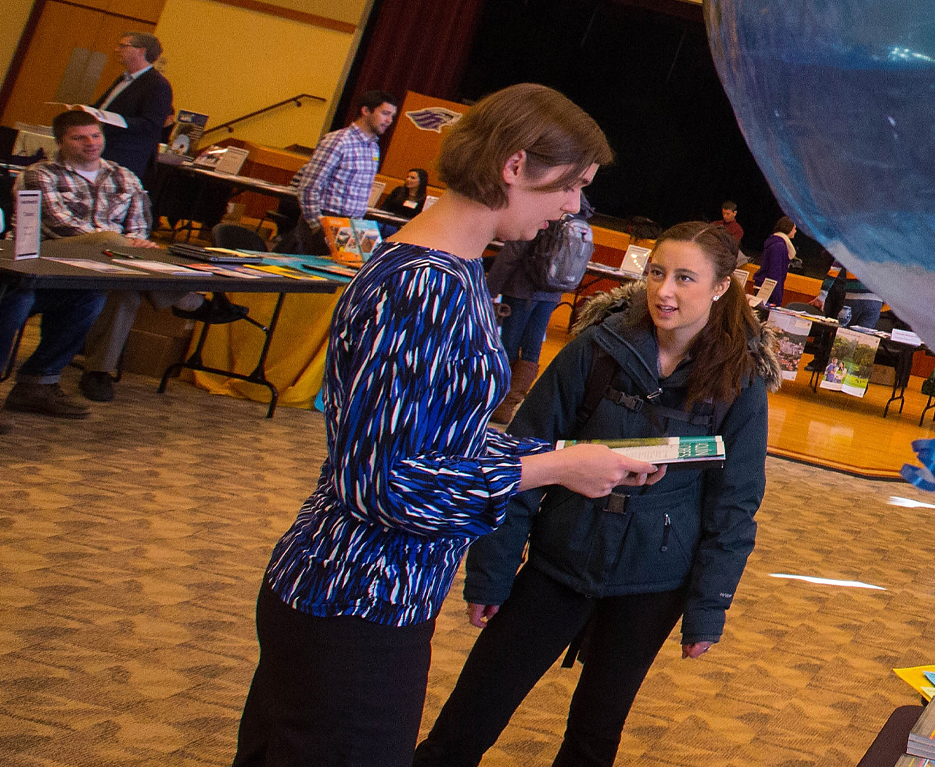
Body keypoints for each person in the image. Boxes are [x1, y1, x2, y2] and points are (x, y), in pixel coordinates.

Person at [232, 84, 660, 766]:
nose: (574, 205)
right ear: (514, 166)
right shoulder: (422, 285)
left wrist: (569, 454)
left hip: (373, 596)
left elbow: (442, 433)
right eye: (572, 184)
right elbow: (390, 482)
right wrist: (552, 468)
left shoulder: (454, 271)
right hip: (355, 599)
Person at [415, 221, 775, 767]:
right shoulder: (596, 349)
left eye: (684, 278)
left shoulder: (740, 380)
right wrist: (492, 570)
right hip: (560, 562)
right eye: (656, 273)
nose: (665, 291)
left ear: (723, 286)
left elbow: (734, 507)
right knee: (469, 718)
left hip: (653, 583)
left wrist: (707, 608)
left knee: (595, 735)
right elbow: (522, 460)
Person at [12, 110, 238, 409]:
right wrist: (121, 244)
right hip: (54, 253)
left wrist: (133, 243)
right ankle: (191, 301)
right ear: (60, 141)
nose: (90, 143)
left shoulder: (124, 175)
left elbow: (140, 226)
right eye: (79, 137)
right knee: (113, 243)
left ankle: (98, 371)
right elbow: (57, 224)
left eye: (96, 135)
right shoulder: (40, 174)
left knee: (125, 284)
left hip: (112, 259)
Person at [487, 196, 596, 425]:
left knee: (507, 344)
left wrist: (488, 290)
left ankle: (492, 401)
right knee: (532, 348)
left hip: (521, 288)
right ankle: (509, 405)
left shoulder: (540, 209)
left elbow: (511, 255)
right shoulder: (578, 212)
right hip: (552, 292)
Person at [293, 90, 400, 228]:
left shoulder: (373, 147)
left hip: (352, 224)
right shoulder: (338, 141)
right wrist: (317, 225)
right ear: (366, 111)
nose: (389, 121)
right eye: (385, 114)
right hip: (327, 218)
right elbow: (308, 187)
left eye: (392, 116)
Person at [77, 32, 172, 178]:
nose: (117, 49)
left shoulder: (158, 85)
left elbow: (151, 124)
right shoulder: (124, 78)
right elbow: (104, 107)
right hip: (101, 148)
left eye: (123, 46)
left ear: (141, 51)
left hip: (123, 156)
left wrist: (112, 119)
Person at [750, 216, 795, 307]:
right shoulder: (779, 246)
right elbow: (775, 273)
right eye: (794, 229)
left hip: (764, 286)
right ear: (788, 228)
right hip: (767, 289)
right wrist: (777, 300)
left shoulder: (775, 242)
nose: (795, 231)